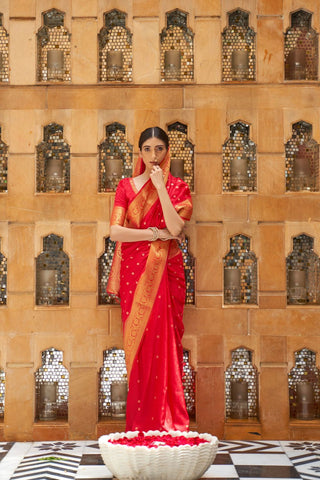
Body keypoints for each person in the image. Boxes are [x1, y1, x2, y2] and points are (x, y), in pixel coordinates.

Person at [107, 126, 193, 432]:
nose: (153, 156)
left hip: (166, 273)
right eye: (147, 149)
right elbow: (116, 232)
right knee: (141, 342)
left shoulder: (178, 188)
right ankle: (141, 422)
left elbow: (177, 228)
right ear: (139, 152)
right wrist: (154, 234)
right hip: (135, 273)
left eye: (159, 149)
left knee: (166, 339)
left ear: (167, 151)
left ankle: (168, 421)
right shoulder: (126, 187)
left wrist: (160, 189)